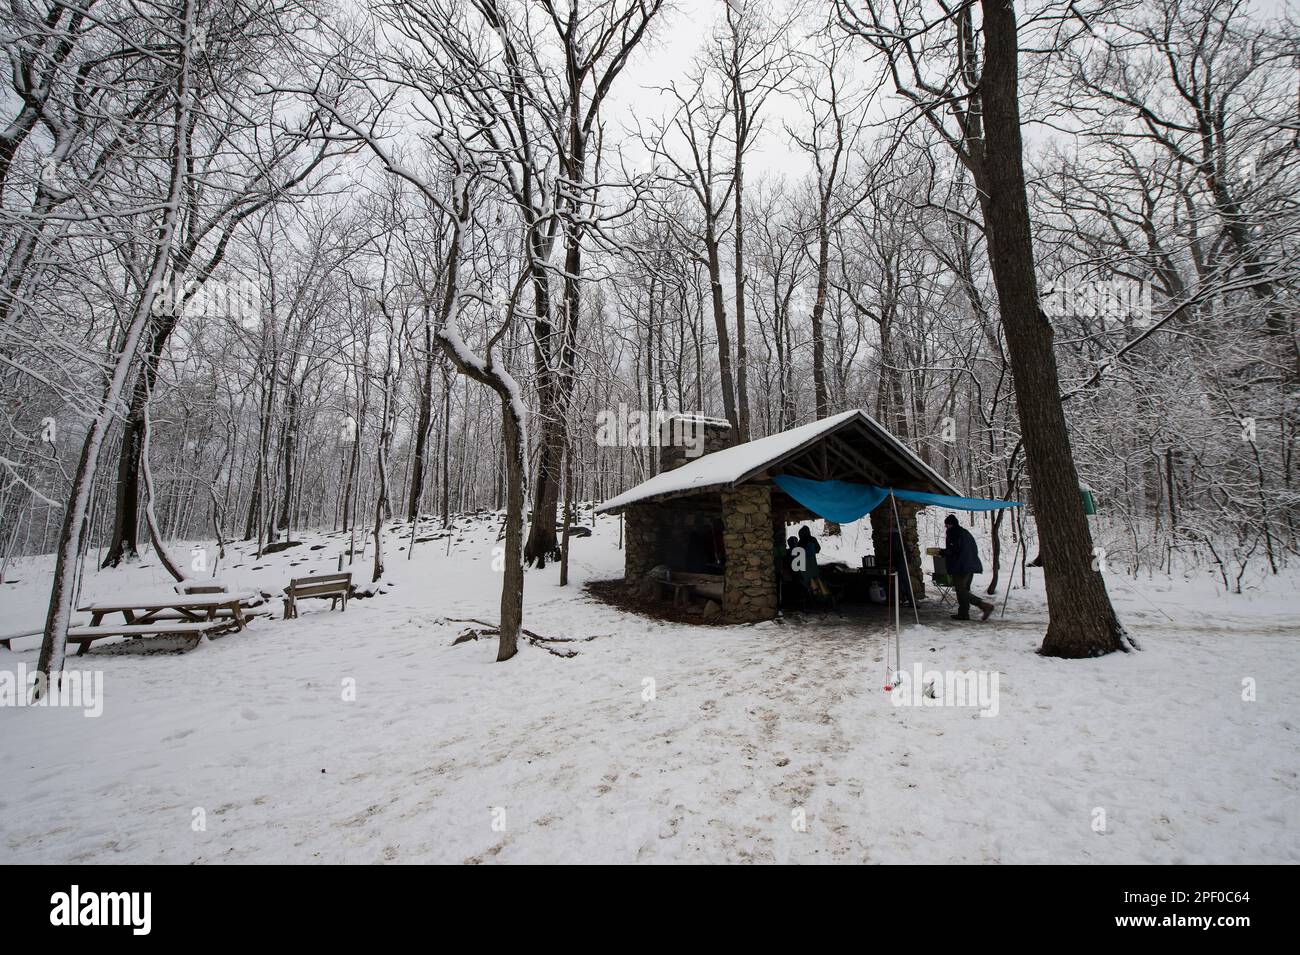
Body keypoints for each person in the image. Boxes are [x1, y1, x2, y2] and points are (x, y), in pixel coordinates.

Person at [942, 514, 994, 621]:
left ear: (950, 524)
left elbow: (954, 549)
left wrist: (942, 552)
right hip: (971, 564)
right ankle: (963, 613)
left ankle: (984, 605)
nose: (946, 527)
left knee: (961, 590)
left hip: (961, 566)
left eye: (946, 525)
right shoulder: (965, 532)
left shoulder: (953, 533)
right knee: (964, 589)